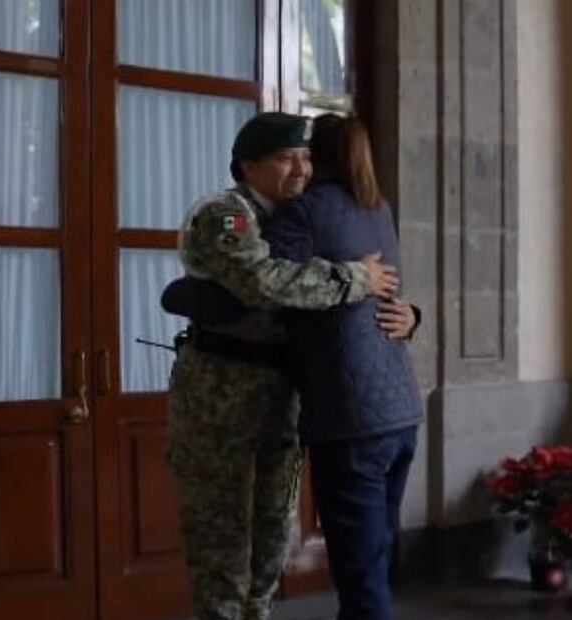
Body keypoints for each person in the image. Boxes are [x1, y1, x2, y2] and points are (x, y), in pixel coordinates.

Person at [164, 112, 416, 620]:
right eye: (284, 159)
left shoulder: (295, 217)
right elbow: (264, 282)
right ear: (247, 165)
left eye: (305, 158)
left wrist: (409, 315)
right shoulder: (227, 213)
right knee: (224, 547)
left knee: (270, 546)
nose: (300, 170)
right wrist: (354, 280)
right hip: (222, 406)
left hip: (280, 402)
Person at [263, 114, 424, 620]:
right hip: (401, 410)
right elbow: (390, 296)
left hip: (350, 417)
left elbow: (272, 290)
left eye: (305, 153)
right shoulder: (379, 210)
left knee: (360, 579)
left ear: (318, 155)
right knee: (373, 561)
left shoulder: (302, 213)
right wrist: (414, 317)